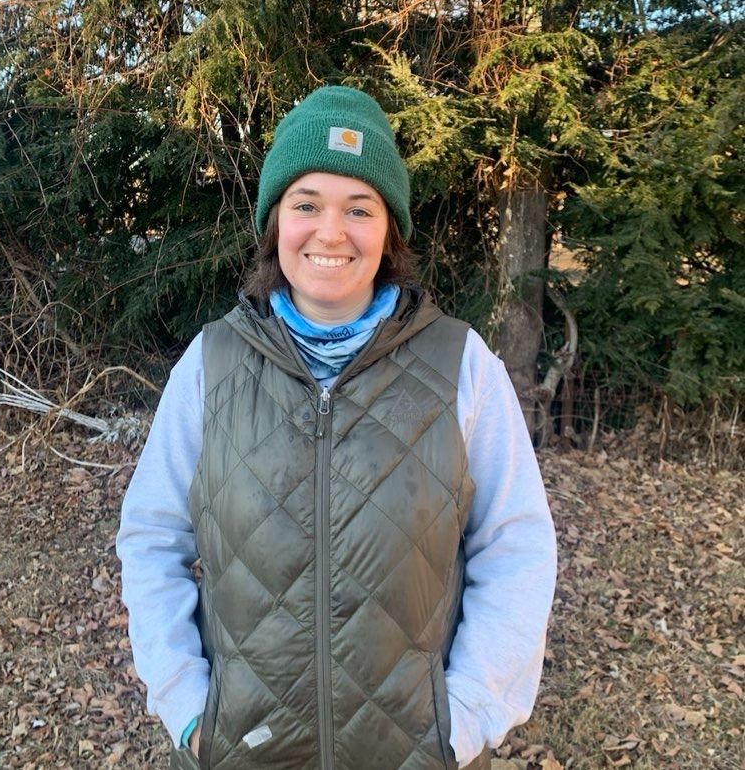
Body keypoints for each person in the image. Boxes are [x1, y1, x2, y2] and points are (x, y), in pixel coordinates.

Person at [116, 85, 557, 770]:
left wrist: (463, 720)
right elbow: (151, 536)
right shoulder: (211, 363)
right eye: (306, 204)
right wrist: (189, 709)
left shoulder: (463, 364)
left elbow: (517, 545)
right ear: (275, 223)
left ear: (389, 229)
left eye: (359, 207)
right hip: (242, 753)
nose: (331, 231)